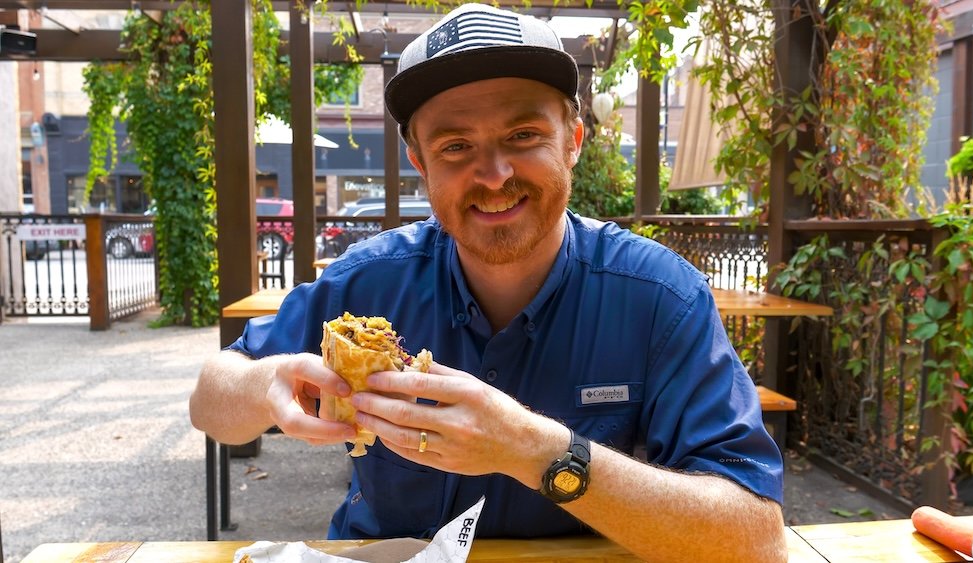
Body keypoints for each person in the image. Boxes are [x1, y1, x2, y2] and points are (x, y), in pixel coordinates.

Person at [190, 4, 787, 561]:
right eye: (455, 146)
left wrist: (533, 450)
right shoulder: (366, 281)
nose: (495, 175)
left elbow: (755, 536)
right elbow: (209, 402)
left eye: (523, 136)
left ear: (572, 141)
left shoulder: (660, 296)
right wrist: (267, 382)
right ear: (421, 164)